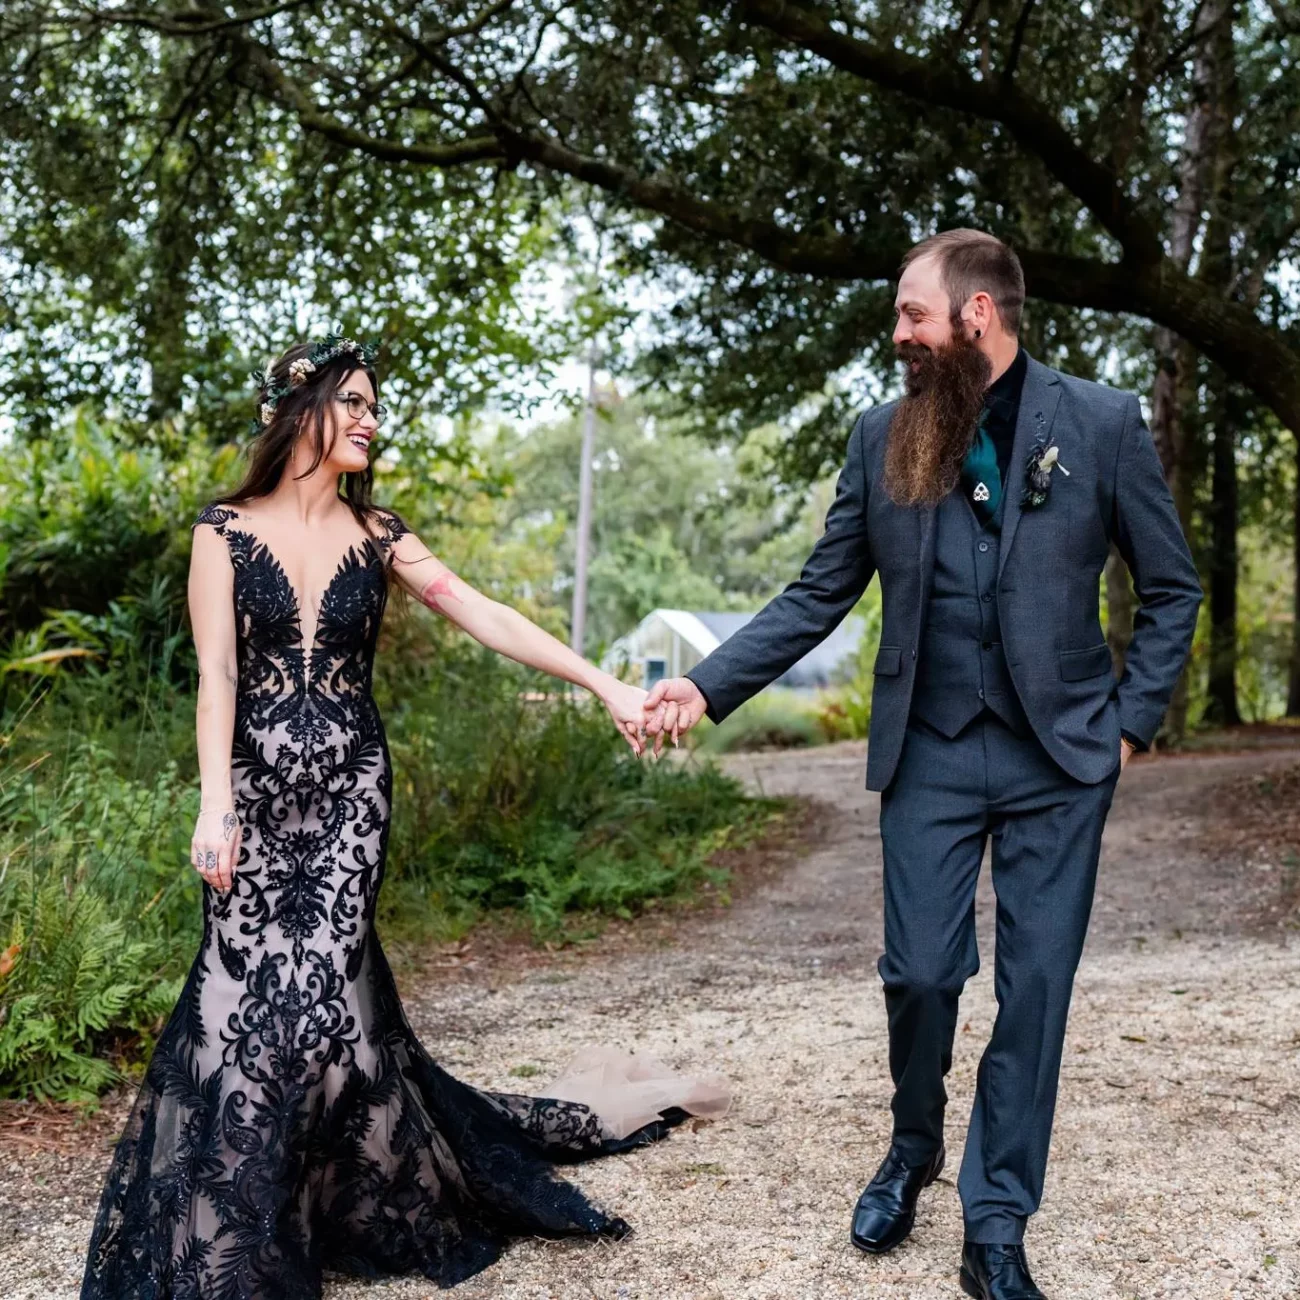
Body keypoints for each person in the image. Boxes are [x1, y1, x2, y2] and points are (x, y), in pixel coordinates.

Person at [79, 335, 727, 1299]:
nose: (373, 419)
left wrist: (602, 684)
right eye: (355, 402)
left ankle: (302, 1212)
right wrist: (215, 804)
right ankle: (251, 1219)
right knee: (242, 1005)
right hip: (252, 793)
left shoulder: (380, 533)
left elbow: (484, 612)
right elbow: (215, 675)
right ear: (297, 412)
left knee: (318, 995)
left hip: (350, 796)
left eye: (377, 404)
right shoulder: (220, 530)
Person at [642, 230, 1201, 1300]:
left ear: (975, 315)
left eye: (911, 314)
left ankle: (996, 1220)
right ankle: (912, 1142)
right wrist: (704, 687)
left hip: (1060, 755)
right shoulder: (879, 437)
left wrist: (1131, 724)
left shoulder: (1100, 422)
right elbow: (817, 595)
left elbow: (1170, 587)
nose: (896, 333)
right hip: (930, 749)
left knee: (1036, 987)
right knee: (922, 974)